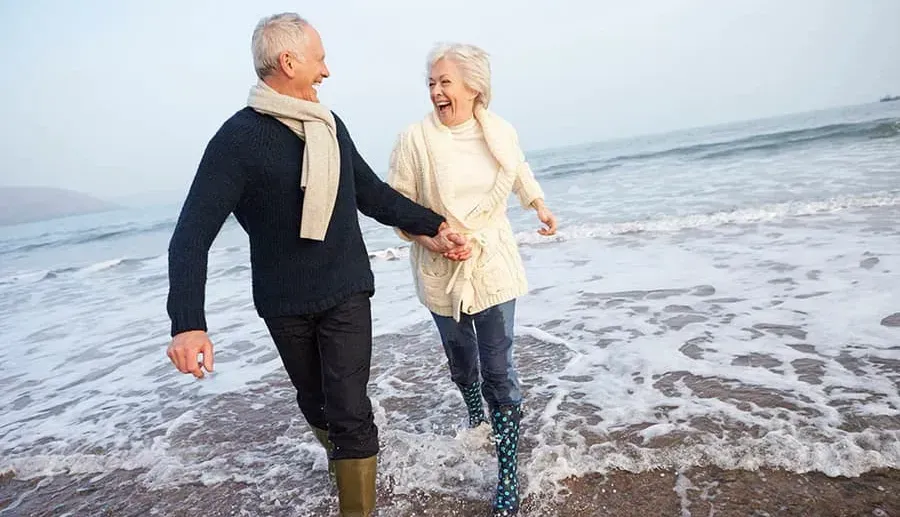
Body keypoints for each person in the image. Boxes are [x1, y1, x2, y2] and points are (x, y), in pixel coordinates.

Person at [164, 14, 468, 517]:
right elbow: (191, 236)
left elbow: (369, 193)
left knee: (350, 410)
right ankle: (346, 472)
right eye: (319, 58)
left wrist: (433, 225)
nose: (326, 71)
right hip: (284, 303)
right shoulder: (236, 142)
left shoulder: (328, 126)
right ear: (289, 62)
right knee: (315, 403)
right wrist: (188, 324)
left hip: (345, 288)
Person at [386, 42, 557, 516]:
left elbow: (517, 169)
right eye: (431, 83)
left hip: (492, 259)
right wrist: (432, 239)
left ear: (473, 88)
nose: (437, 92)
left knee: (499, 369)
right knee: (464, 365)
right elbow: (396, 207)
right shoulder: (413, 140)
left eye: (445, 82)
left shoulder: (499, 131)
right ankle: (474, 413)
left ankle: (507, 473)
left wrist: (538, 204)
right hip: (440, 265)